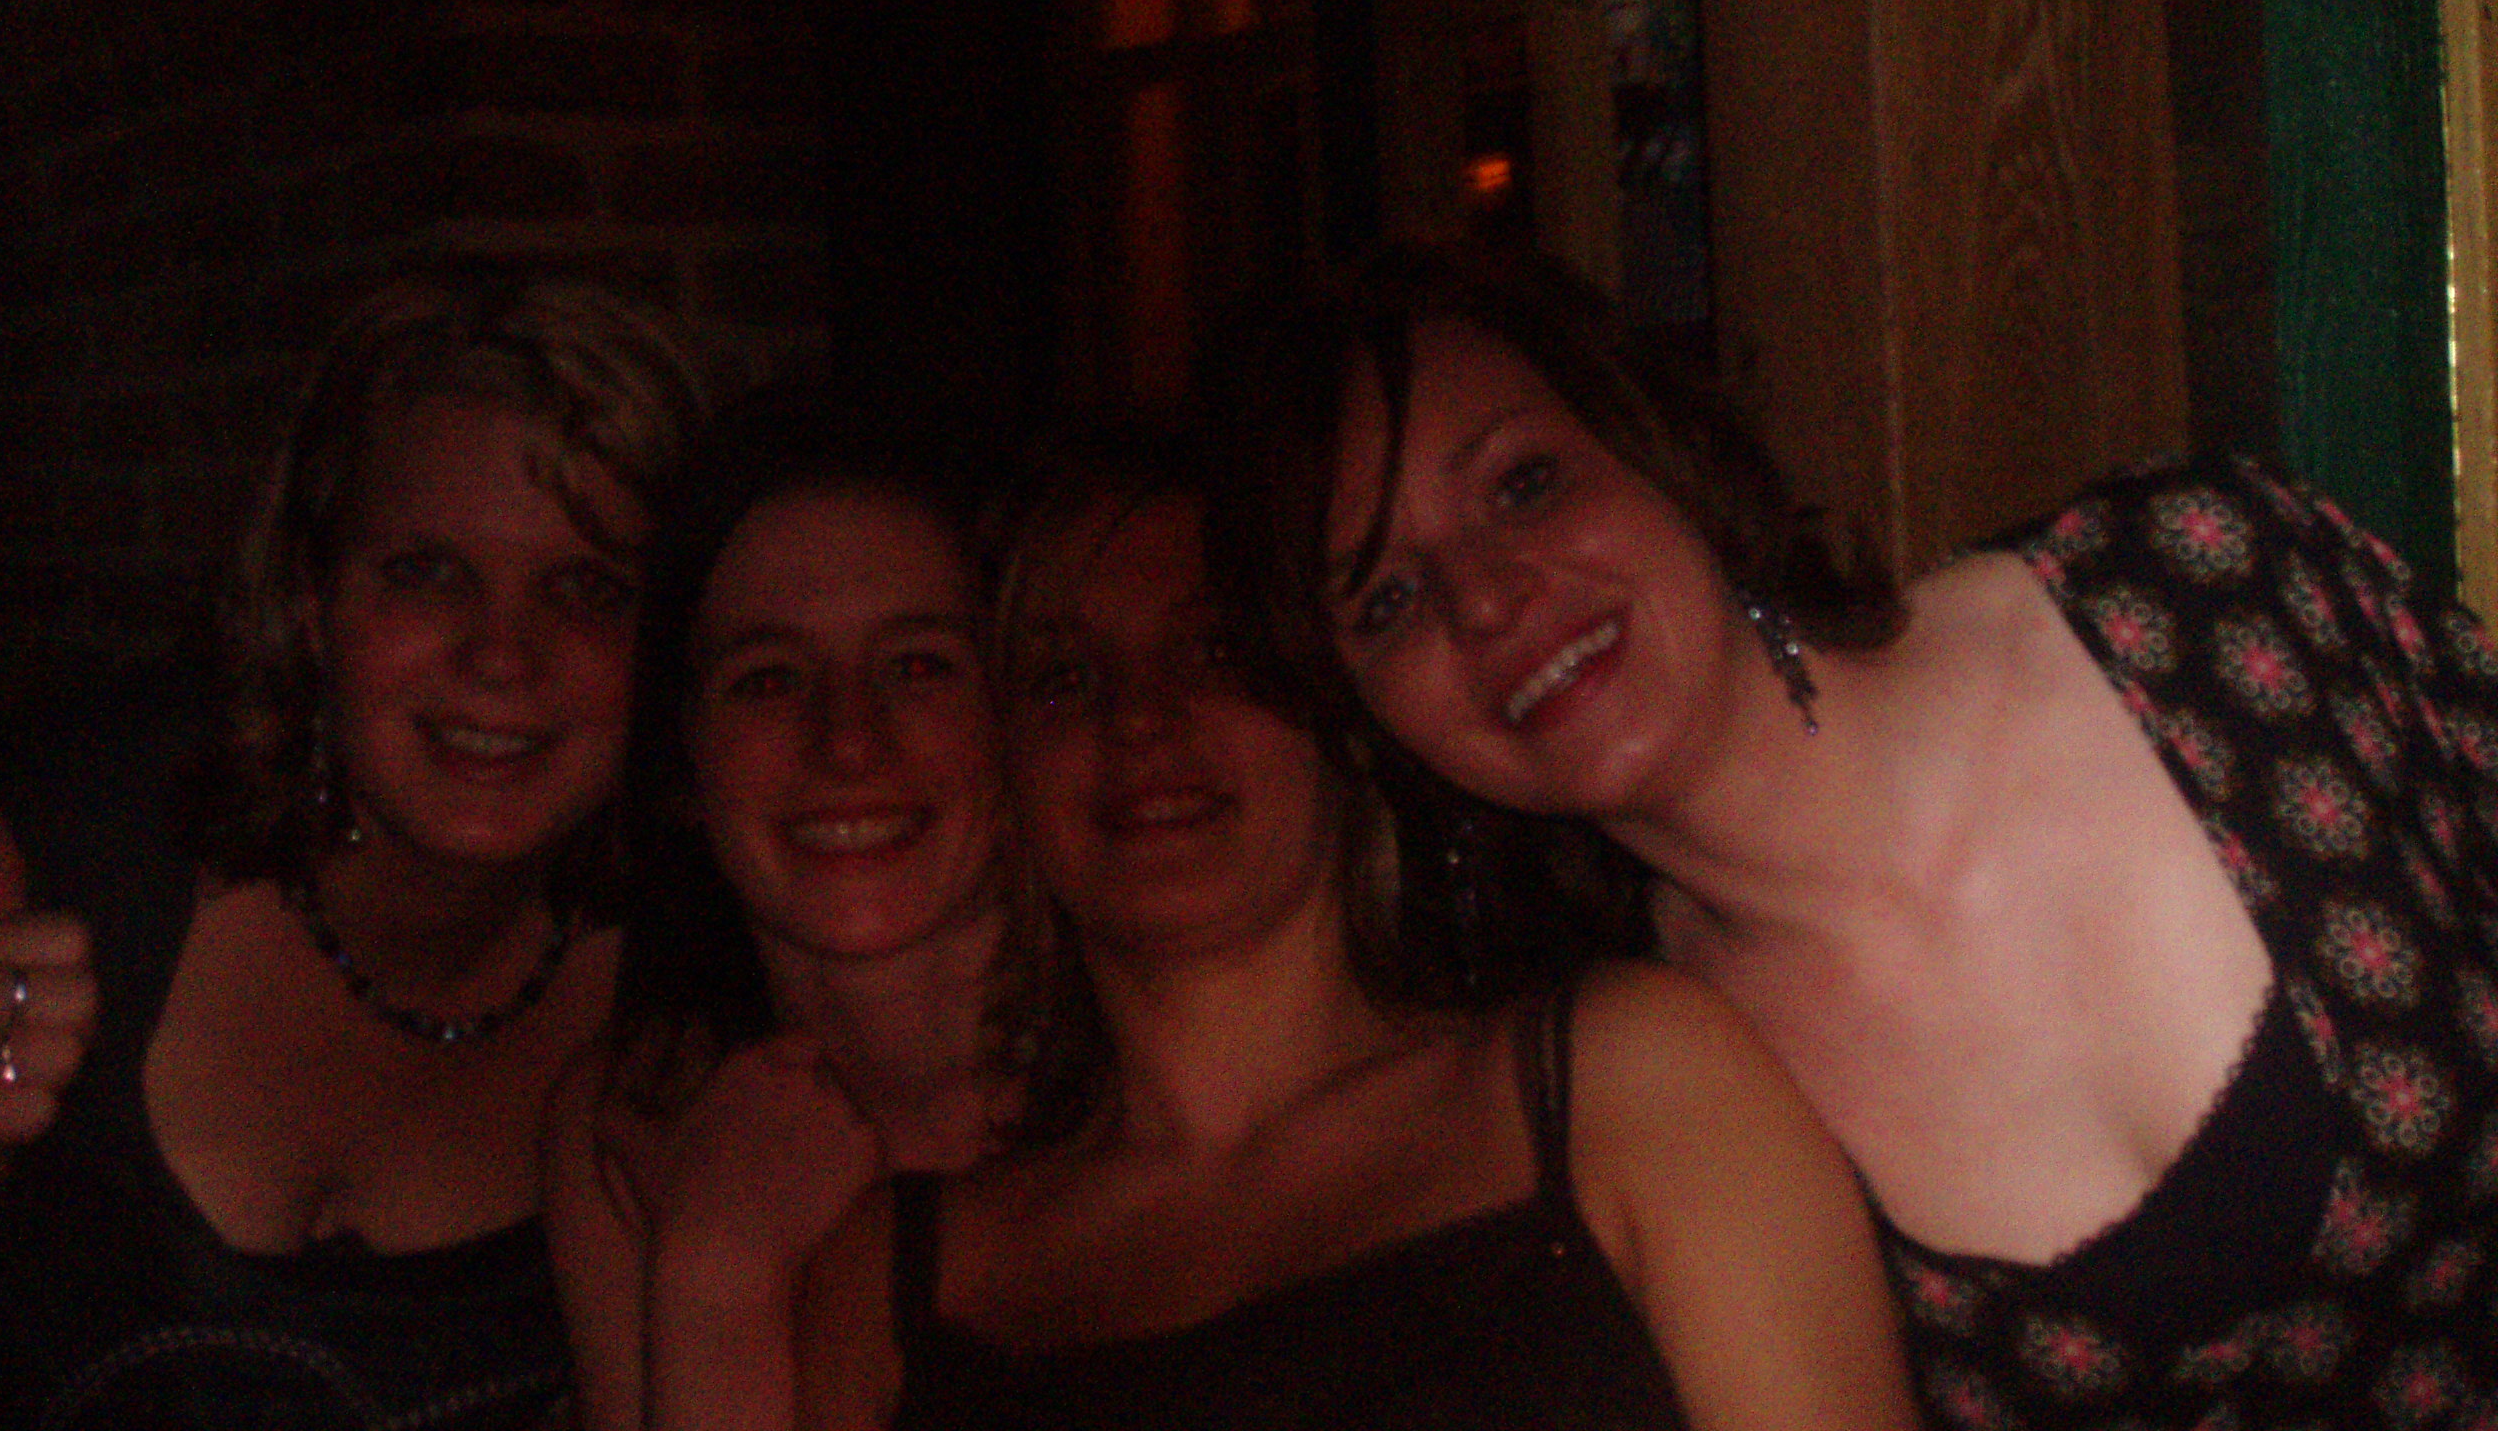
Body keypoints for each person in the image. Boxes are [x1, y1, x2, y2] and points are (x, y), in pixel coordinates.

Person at [1220, 237, 2498, 1429]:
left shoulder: (2195, 577)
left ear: (1655, 448)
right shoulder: (1662, 1098)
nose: (1487, 600)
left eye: (1524, 484)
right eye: (1387, 600)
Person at [793, 434, 1915, 1431]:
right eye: (1065, 677)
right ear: (1003, 766)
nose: (1139, 719)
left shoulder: (1623, 1086)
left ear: (1342, 720)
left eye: (1215, 653)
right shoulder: (894, 1279)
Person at [0, 267, 718, 1429]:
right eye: (426, 573)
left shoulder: (711, 975)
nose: (502, 655)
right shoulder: (51, 856)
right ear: (310, 602)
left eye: (587, 589)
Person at [545, 391, 1016, 1431]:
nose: (847, 740)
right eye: (768, 680)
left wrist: (716, 1271)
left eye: (918, 667)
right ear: (681, 757)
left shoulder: (1154, 1084)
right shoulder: (637, 1119)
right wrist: (713, 1262)